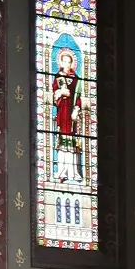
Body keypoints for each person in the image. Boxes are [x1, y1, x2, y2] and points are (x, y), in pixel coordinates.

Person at [50, 44, 85, 185]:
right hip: (62, 111)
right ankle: (62, 170)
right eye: (64, 61)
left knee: (73, 140)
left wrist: (77, 108)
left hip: (71, 114)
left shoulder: (76, 79)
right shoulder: (58, 77)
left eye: (68, 61)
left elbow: (79, 96)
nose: (66, 64)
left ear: (72, 63)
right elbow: (53, 94)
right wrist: (60, 93)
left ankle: (74, 172)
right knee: (62, 139)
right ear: (60, 62)